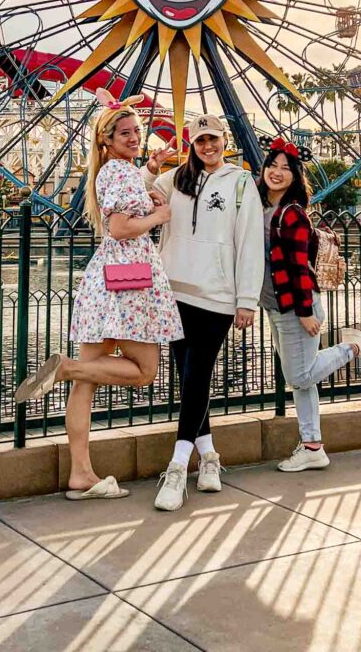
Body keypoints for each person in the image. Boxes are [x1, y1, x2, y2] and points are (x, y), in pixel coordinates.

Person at [15, 90, 182, 500]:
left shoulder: (110, 171)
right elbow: (121, 227)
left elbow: (123, 201)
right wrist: (160, 215)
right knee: (144, 371)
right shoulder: (119, 173)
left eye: (137, 131)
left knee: (88, 382)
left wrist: (151, 169)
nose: (134, 137)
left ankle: (81, 474)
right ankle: (66, 368)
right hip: (130, 280)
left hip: (104, 281)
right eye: (125, 133)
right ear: (106, 139)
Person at [143, 113, 264, 511]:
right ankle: (208, 457)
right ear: (191, 145)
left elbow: (249, 243)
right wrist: (150, 168)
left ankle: (177, 467)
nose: (207, 147)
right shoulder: (175, 179)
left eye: (212, 140)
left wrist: (246, 299)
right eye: (200, 142)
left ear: (224, 140)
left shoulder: (242, 183)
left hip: (217, 295)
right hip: (174, 290)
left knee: (198, 374)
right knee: (190, 379)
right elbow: (138, 195)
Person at [259, 138, 361, 472]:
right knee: (303, 381)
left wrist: (306, 311)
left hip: (295, 306)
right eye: (273, 166)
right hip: (274, 306)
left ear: (295, 177)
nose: (277, 173)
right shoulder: (262, 207)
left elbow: (298, 266)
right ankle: (312, 446)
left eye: (286, 168)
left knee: (298, 374)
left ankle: (352, 346)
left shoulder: (291, 214)